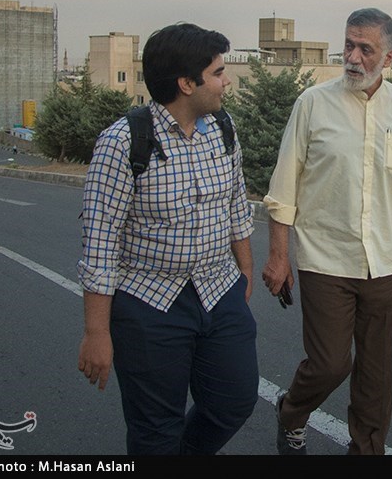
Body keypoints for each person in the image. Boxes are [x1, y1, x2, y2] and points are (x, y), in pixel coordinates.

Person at [262, 7, 392, 455]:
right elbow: (284, 187)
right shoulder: (312, 103)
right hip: (325, 259)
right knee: (331, 364)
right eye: (348, 45)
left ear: (388, 58)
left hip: (383, 263)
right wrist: (278, 255)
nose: (352, 57)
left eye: (365, 49)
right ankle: (291, 411)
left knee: (375, 374)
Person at [76, 23, 258, 455]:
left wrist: (245, 272)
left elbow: (236, 203)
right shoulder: (123, 142)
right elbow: (99, 243)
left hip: (218, 291)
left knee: (233, 401)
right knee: (156, 430)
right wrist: (96, 332)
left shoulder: (223, 128)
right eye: (217, 73)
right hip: (148, 303)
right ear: (186, 83)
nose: (226, 82)